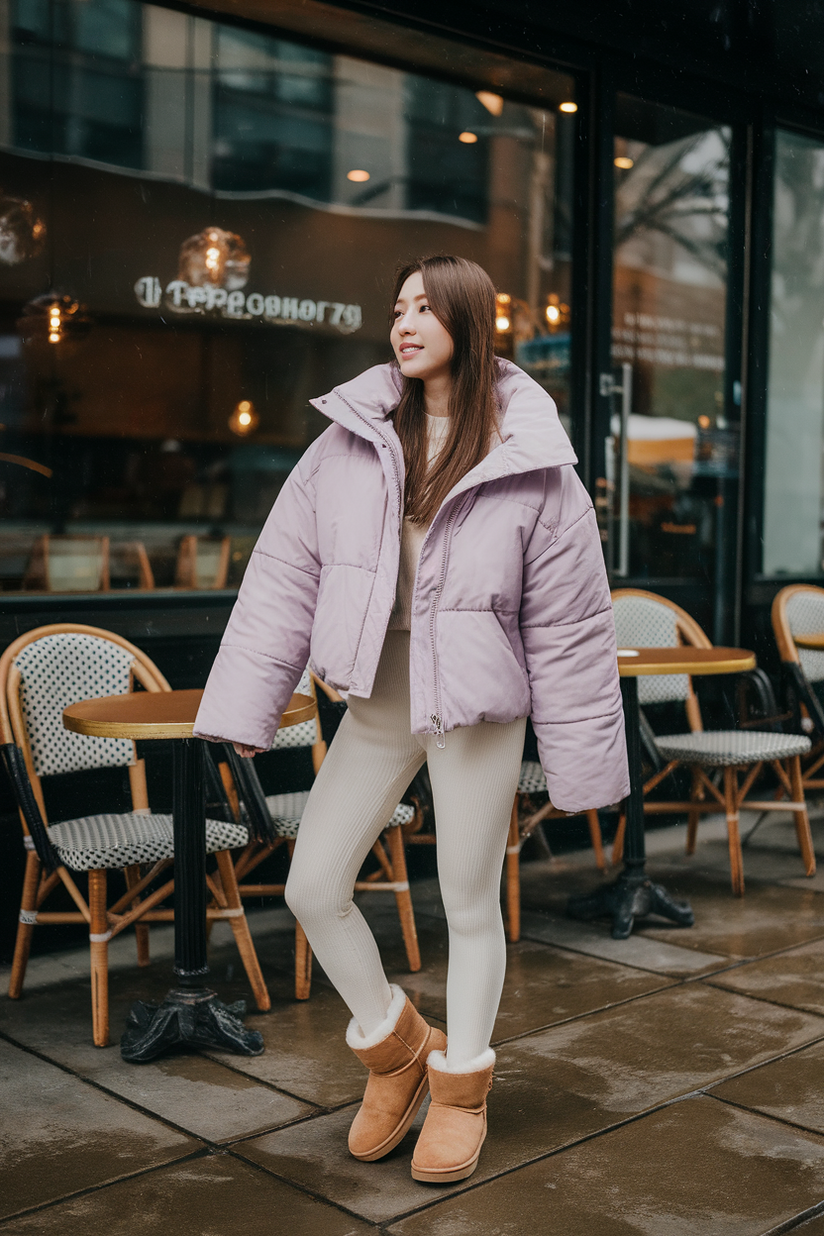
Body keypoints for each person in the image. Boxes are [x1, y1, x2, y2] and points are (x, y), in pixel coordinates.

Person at [194, 254, 629, 1184]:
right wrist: (245, 704)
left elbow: (573, 627)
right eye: (397, 307)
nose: (405, 322)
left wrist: (588, 764)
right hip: (379, 694)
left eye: (427, 307)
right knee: (313, 885)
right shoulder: (347, 442)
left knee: (469, 902)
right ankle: (395, 1053)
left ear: (470, 321)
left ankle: (461, 1086)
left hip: (476, 707)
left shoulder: (533, 459)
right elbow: (280, 582)